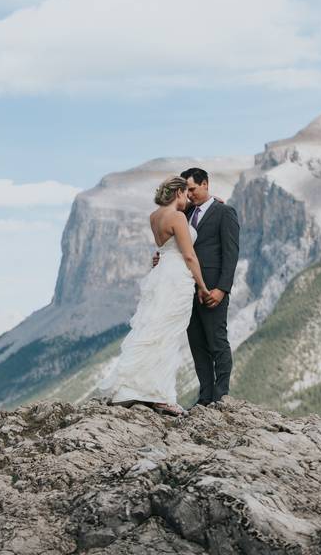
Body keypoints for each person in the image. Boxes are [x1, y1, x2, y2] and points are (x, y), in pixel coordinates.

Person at [100, 176, 210, 416]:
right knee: (169, 334)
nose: (189, 198)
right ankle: (161, 396)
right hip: (177, 276)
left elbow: (165, 247)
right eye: (186, 194)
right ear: (179, 192)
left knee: (152, 330)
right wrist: (202, 286)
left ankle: (131, 389)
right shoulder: (178, 217)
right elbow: (189, 255)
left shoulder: (155, 216)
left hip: (160, 273)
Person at [180, 167, 240, 406]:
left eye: (192, 189)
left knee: (217, 342)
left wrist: (222, 289)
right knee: (197, 345)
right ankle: (205, 397)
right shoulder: (184, 215)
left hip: (213, 288)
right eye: (186, 191)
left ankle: (221, 395)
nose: (189, 195)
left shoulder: (224, 212)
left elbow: (231, 253)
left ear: (205, 184)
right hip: (186, 289)